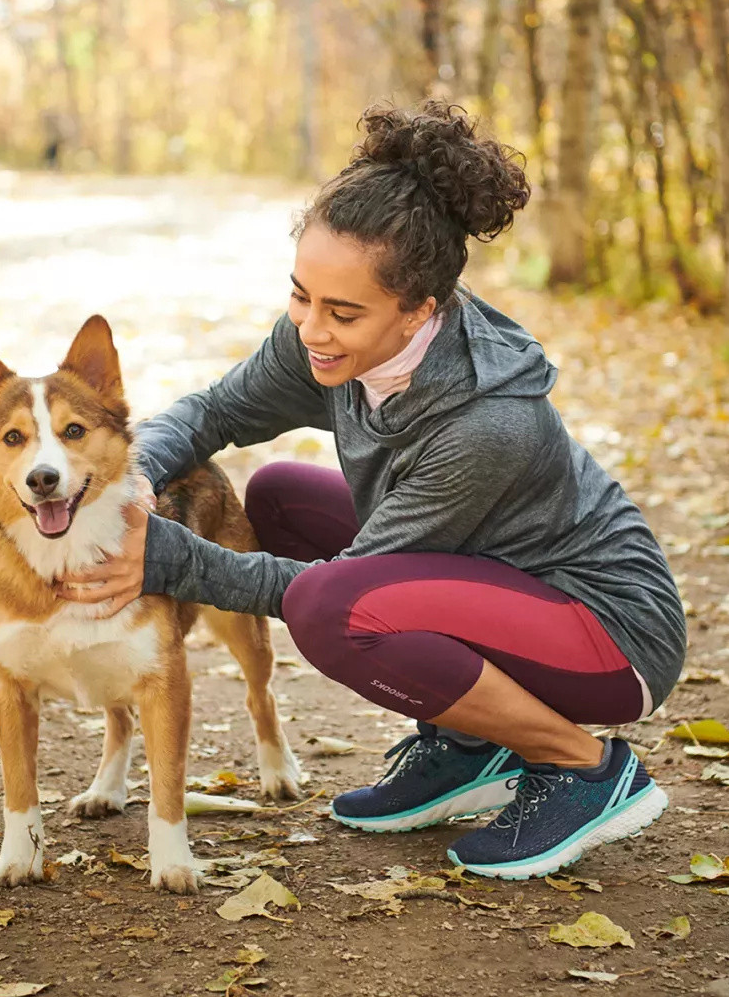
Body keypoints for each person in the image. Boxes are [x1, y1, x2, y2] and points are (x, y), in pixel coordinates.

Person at [54, 100, 687, 880]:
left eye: (342, 311)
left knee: (330, 611)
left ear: (421, 306)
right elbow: (214, 409)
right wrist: (136, 474)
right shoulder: (321, 340)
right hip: (493, 578)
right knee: (281, 493)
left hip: (607, 629)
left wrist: (169, 558)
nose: (310, 328)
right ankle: (467, 744)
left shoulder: (486, 423)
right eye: (301, 296)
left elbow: (347, 589)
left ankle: (585, 769)